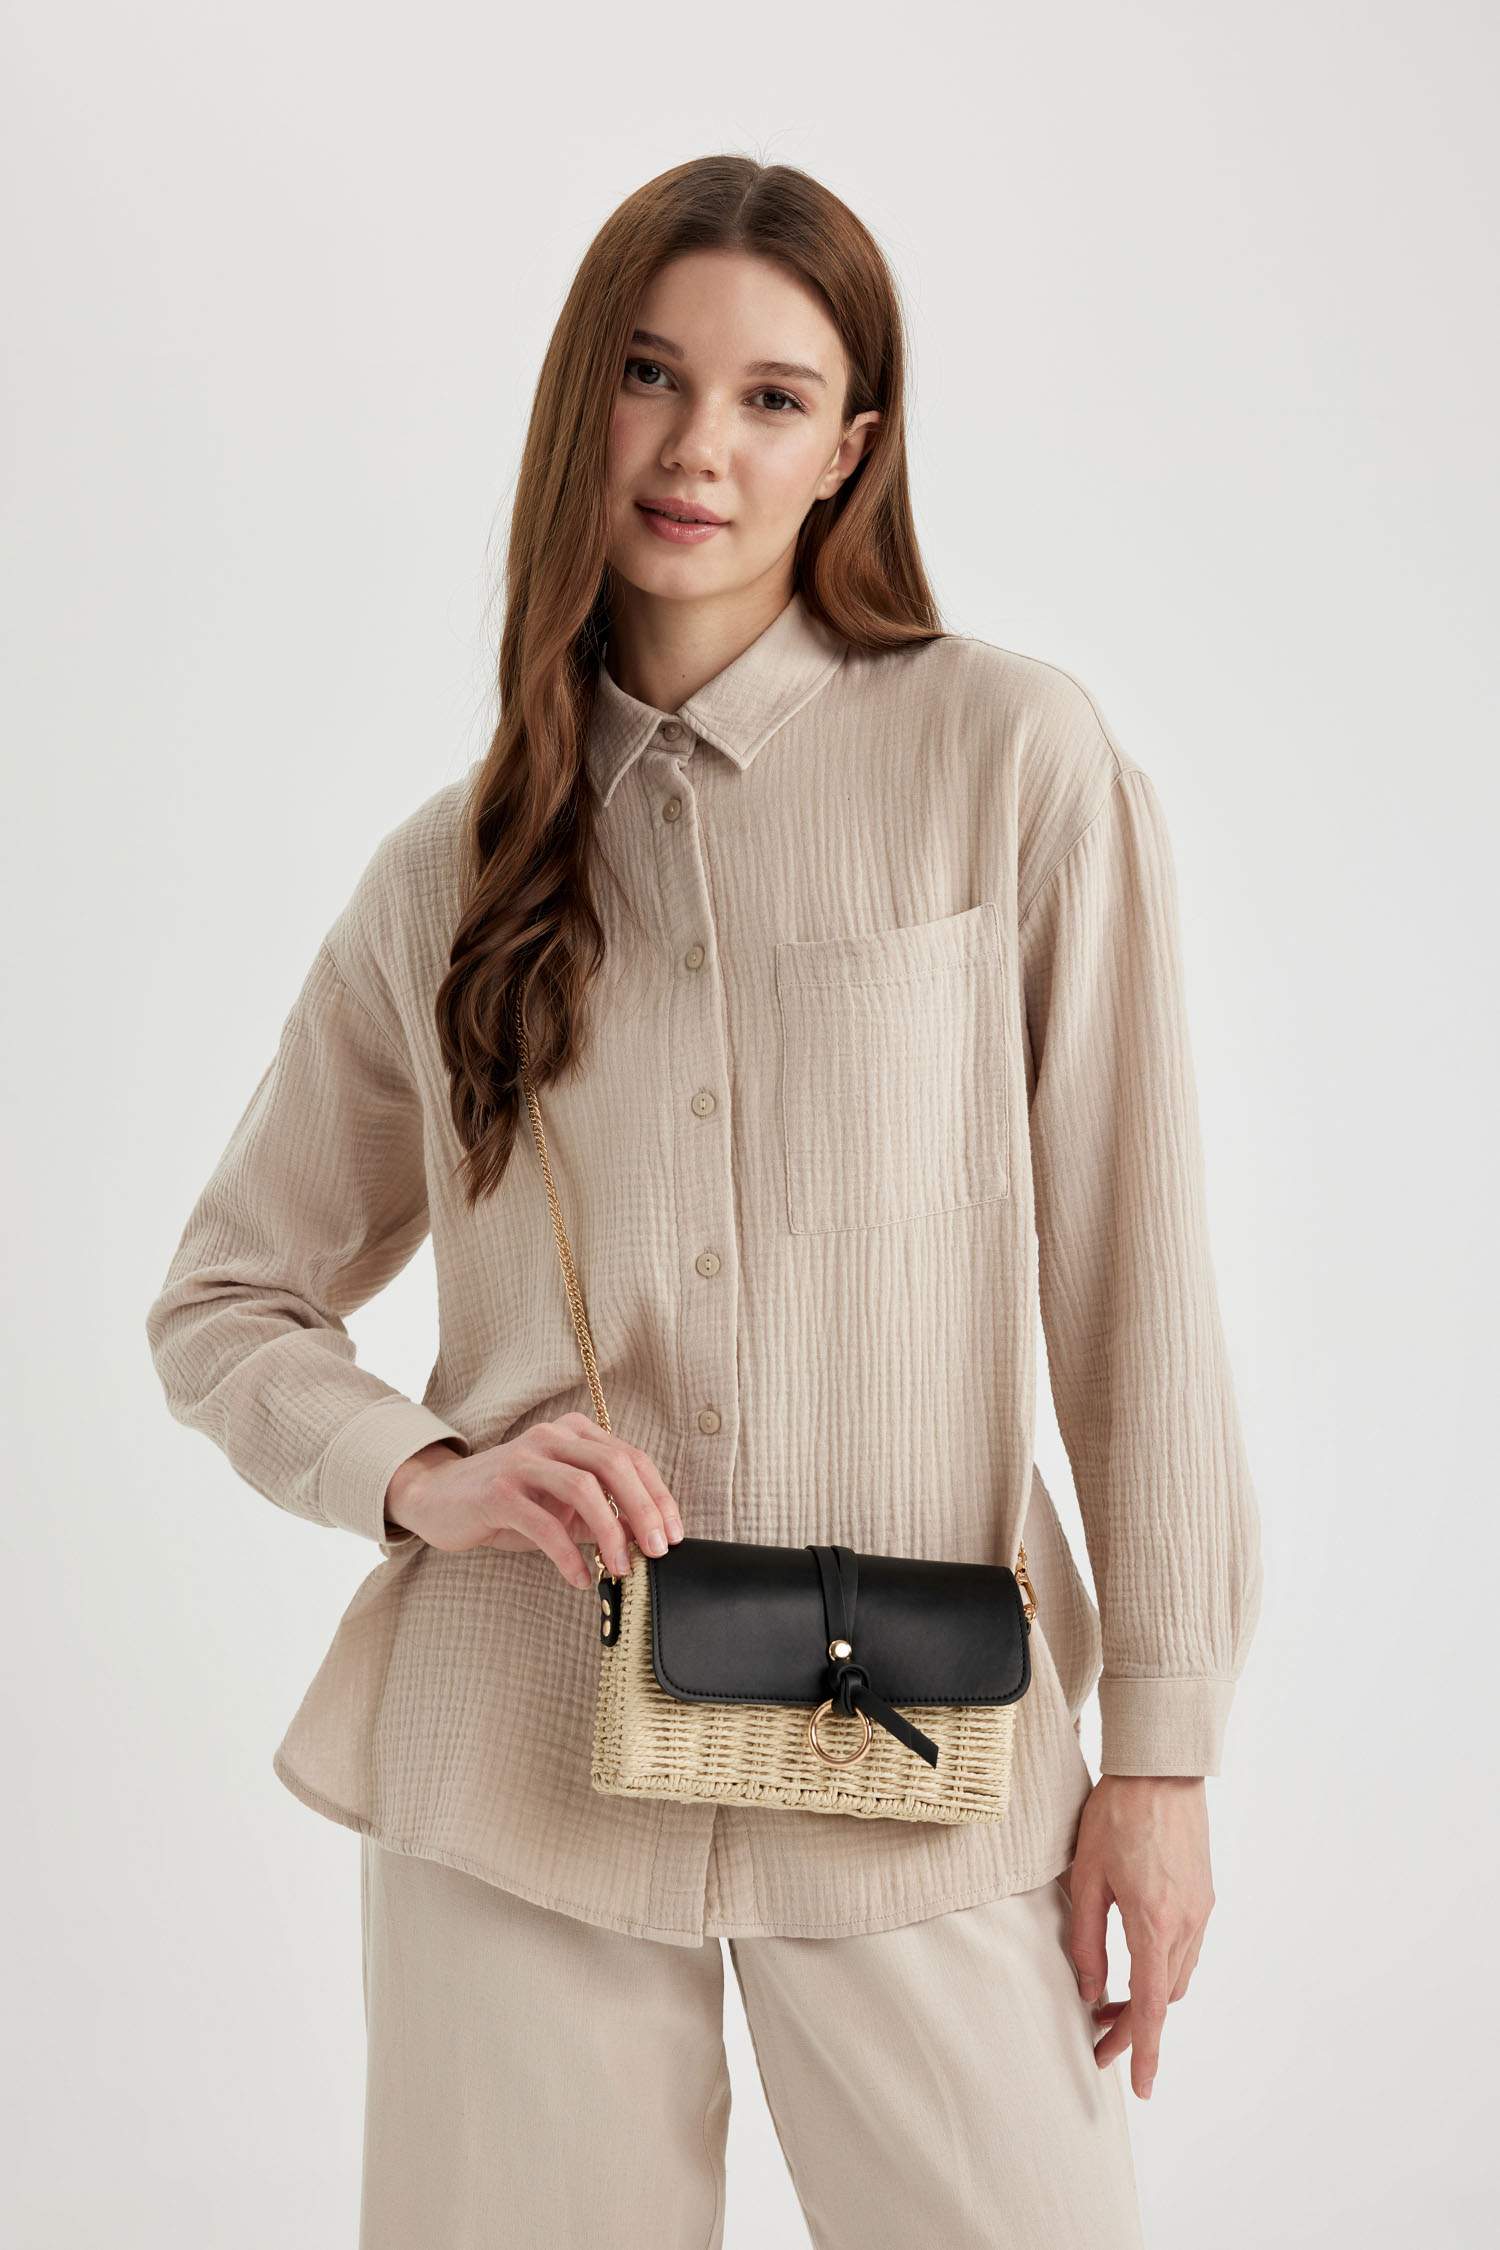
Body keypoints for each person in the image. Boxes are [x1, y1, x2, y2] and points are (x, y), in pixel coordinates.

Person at [145, 154, 1263, 2249]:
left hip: (920, 1756)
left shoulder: (1013, 763)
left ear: (851, 449)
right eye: (651, 374)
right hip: (518, 1766)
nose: (696, 448)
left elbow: (1136, 1282)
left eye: (772, 397)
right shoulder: (451, 869)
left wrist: (1165, 1753)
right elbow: (225, 1299)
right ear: (583, 396)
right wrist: (425, 1474)